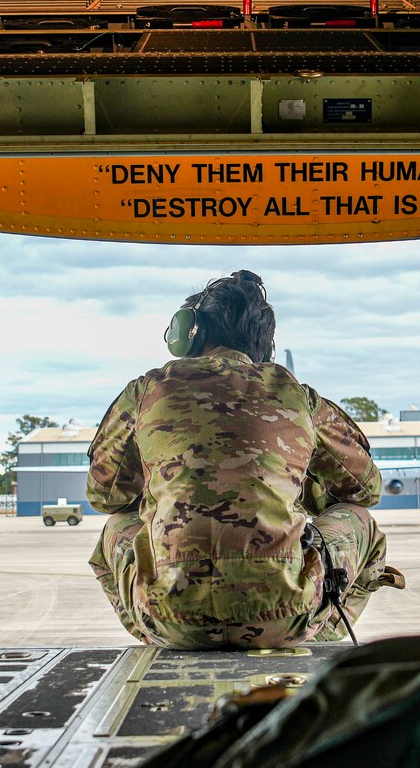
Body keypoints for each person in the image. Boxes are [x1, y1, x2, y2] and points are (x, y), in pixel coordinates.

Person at [86, 271, 403, 649]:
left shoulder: (146, 391)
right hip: (286, 615)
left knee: (115, 527)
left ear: (191, 333)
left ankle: (159, 630)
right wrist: (299, 486)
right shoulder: (298, 396)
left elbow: (105, 497)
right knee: (361, 521)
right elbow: (365, 489)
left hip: (169, 617)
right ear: (265, 348)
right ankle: (318, 634)